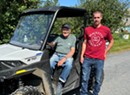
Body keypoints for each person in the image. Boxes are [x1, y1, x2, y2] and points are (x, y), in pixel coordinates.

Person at [80, 10, 114, 95]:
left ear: (101, 18)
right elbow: (84, 42)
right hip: (87, 58)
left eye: (98, 17)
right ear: (92, 18)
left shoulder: (106, 30)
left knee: (98, 80)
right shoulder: (87, 29)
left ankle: (95, 93)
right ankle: (84, 93)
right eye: (95, 17)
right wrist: (81, 56)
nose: (96, 19)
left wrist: (105, 52)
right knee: (84, 78)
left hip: (99, 59)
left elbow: (111, 41)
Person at [49, 23, 76, 95]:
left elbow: (72, 51)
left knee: (69, 64)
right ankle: (50, 78)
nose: (65, 31)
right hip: (57, 54)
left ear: (70, 30)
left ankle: (61, 81)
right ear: (61, 30)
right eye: (64, 29)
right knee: (50, 62)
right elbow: (53, 43)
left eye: (67, 29)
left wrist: (64, 59)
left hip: (67, 55)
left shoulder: (72, 37)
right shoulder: (59, 37)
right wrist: (49, 43)